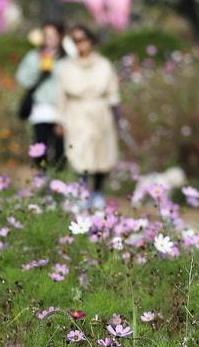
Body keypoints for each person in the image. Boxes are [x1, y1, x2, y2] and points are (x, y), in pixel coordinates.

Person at [58, 25, 123, 209]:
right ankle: (82, 192)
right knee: (80, 154)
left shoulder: (103, 65)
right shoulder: (68, 67)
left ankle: (98, 192)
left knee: (102, 155)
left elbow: (113, 93)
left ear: (91, 41)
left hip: (100, 112)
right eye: (75, 41)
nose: (80, 45)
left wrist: (117, 117)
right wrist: (60, 120)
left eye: (82, 40)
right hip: (77, 112)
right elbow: (61, 95)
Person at [15, 22, 65, 170]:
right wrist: (40, 71)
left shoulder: (66, 59)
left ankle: (58, 180)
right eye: (46, 36)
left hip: (61, 110)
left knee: (60, 149)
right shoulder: (33, 57)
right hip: (41, 108)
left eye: (53, 36)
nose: (49, 39)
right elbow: (22, 79)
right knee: (40, 147)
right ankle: (42, 177)